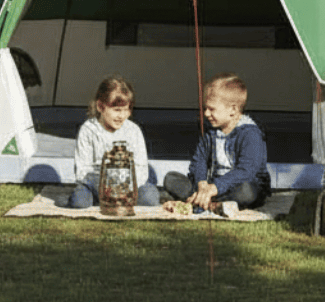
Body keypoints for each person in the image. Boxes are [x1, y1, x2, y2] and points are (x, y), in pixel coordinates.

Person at [163, 73, 269, 210]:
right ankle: (209, 201)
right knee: (171, 178)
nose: (206, 113)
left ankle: (204, 201)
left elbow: (246, 171)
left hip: (236, 185)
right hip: (211, 186)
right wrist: (202, 184)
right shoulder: (211, 133)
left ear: (233, 109)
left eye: (211, 109)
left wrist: (215, 187)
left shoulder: (250, 134)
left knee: (247, 191)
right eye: (205, 108)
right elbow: (199, 161)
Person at [68, 76, 161, 209]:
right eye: (116, 110)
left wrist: (126, 187)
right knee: (79, 201)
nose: (121, 116)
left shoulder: (133, 130)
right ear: (100, 107)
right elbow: (82, 170)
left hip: (128, 186)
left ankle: (115, 200)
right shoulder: (88, 130)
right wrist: (105, 186)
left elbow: (141, 168)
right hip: (98, 184)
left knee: (150, 197)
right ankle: (106, 200)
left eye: (126, 110)